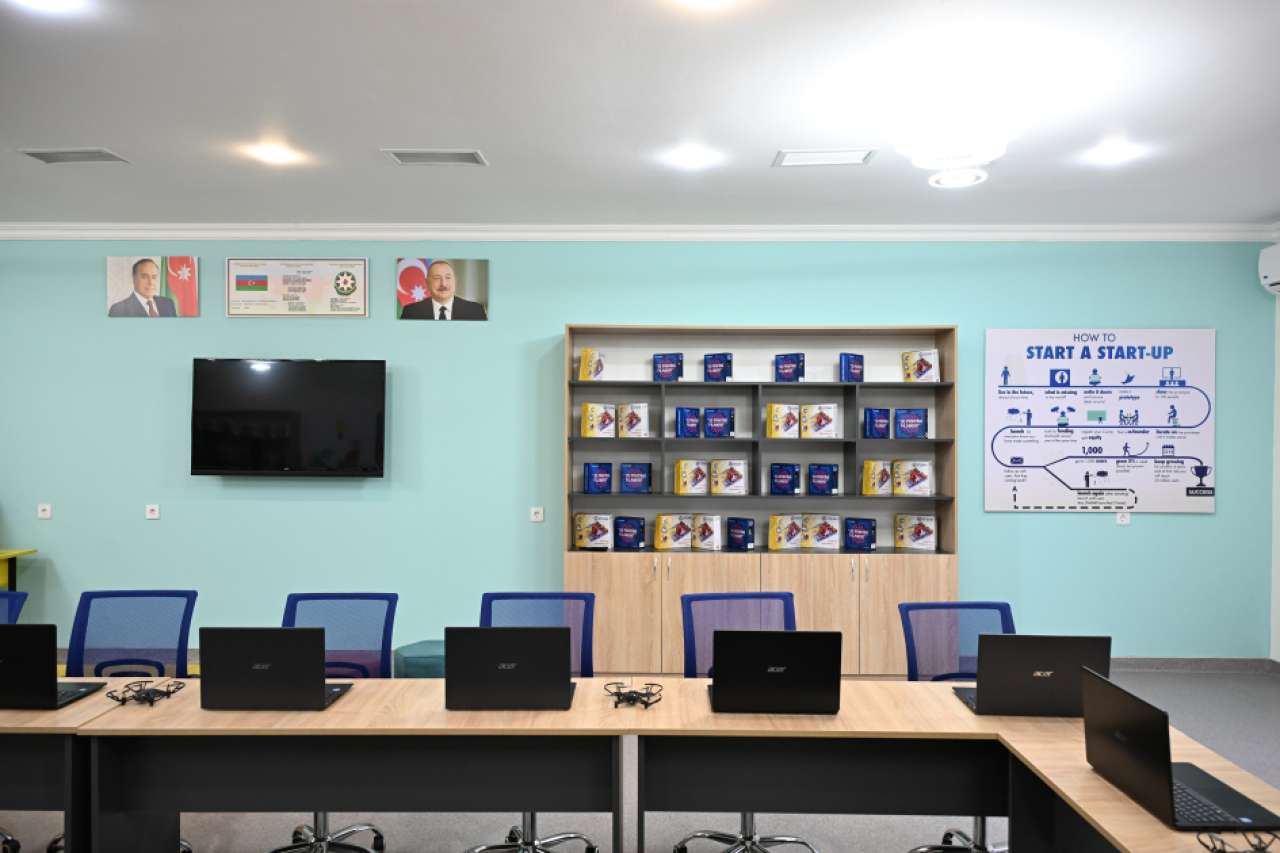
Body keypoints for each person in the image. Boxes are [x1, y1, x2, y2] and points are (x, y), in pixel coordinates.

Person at [400, 260, 487, 320]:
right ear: (427, 283)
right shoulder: (411, 312)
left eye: (448, 278)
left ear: (455, 281)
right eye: (437, 278)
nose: (443, 284)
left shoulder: (475, 310)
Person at [108, 258, 176, 317]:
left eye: (154, 277)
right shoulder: (118, 310)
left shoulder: (168, 304)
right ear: (134, 278)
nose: (150, 282)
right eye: (144, 277)